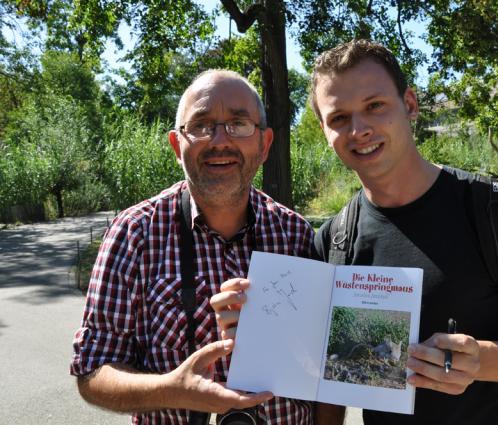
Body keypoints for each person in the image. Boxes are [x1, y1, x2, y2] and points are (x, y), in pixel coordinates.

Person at [309, 40, 498, 425]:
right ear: (324, 130)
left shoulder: (496, 211)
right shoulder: (334, 240)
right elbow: (331, 376)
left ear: (409, 104)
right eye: (339, 118)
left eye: (375, 106)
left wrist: (482, 361)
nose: (359, 129)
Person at [70, 69, 315, 424]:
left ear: (264, 144)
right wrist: (171, 389)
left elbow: (326, 362)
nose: (219, 140)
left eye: (239, 123)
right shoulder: (135, 234)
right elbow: (92, 370)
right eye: (200, 125)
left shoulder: (296, 235)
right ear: (176, 145)